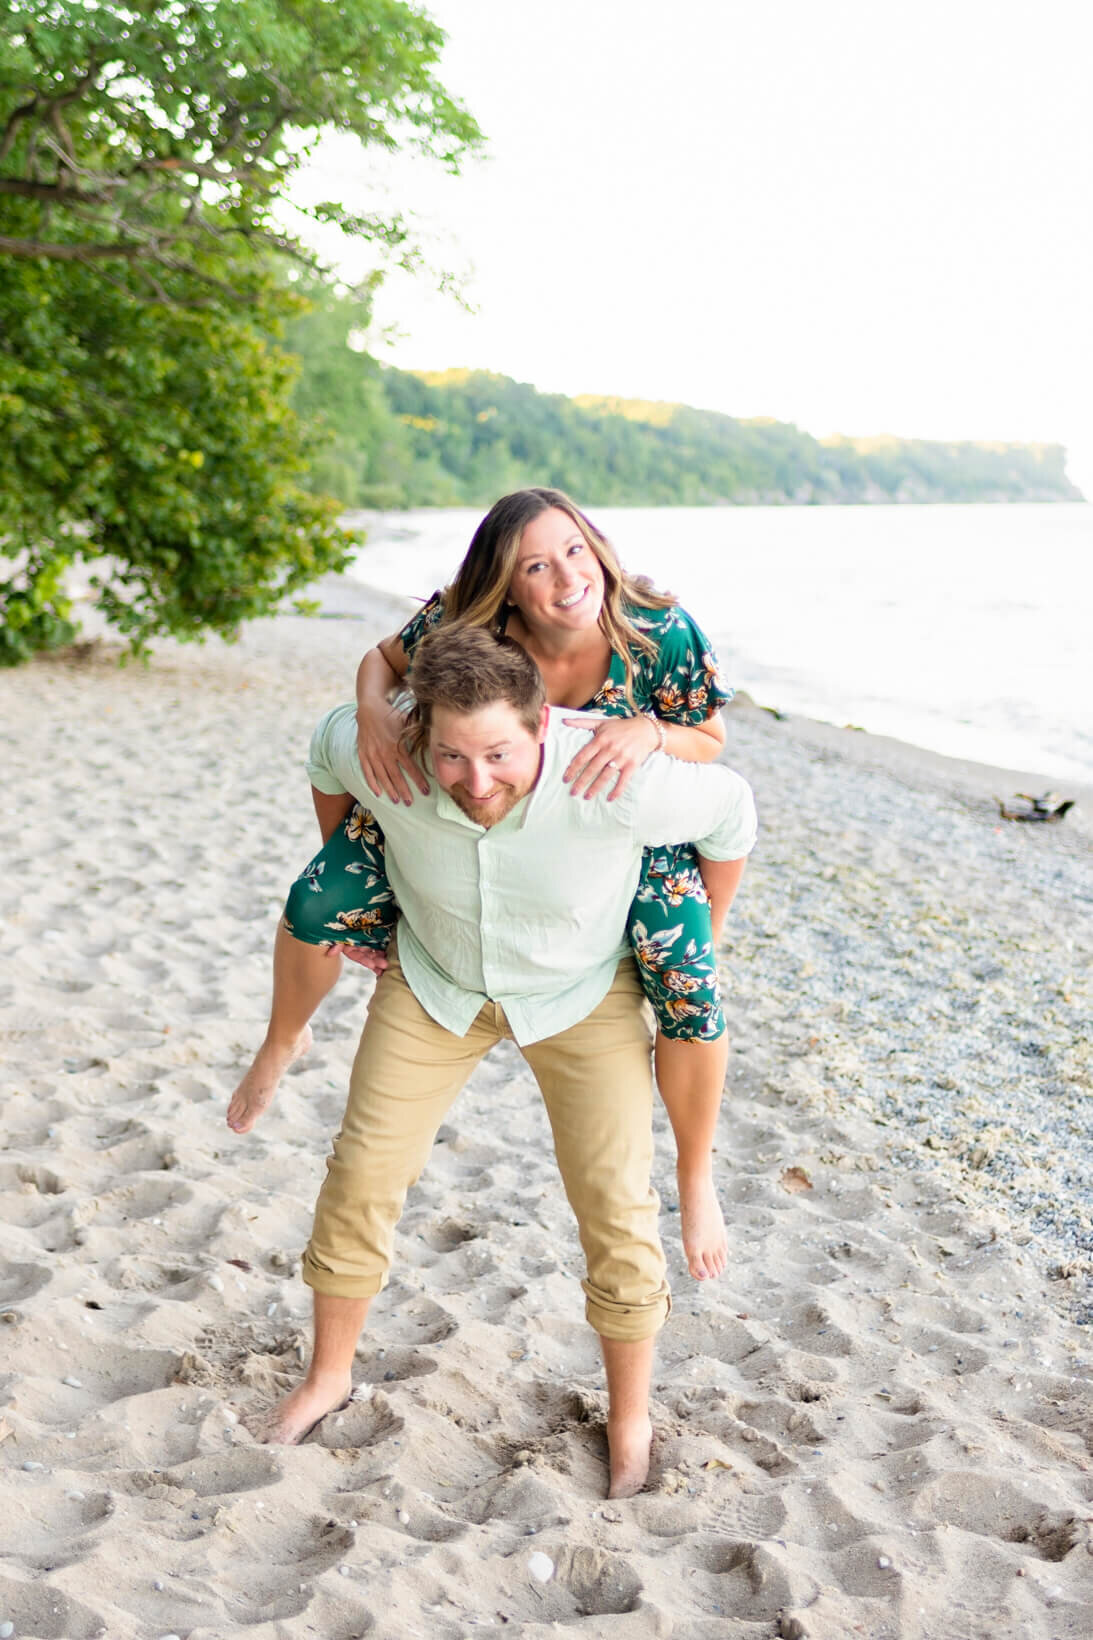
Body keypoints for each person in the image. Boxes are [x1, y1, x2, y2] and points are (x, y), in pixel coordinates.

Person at [229, 624, 756, 1496]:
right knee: (361, 1172)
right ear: (416, 735)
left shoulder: (613, 782)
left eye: (501, 755)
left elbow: (732, 809)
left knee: (617, 1205)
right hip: (437, 986)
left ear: (543, 726)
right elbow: (327, 756)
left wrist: (714, 933)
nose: (477, 782)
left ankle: (629, 1417)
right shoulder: (381, 755)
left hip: (581, 995)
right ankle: (329, 1374)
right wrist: (375, 894)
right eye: (452, 758)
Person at [230, 489, 744, 1280]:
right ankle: (282, 1037)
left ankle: (694, 1174)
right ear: (507, 584)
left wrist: (649, 729)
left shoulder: (656, 629)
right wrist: (372, 715)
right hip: (461, 805)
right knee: (318, 898)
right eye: (536, 566)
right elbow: (380, 661)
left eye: (574, 550)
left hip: (612, 819)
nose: (566, 577)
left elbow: (711, 743)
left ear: (596, 546)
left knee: (690, 981)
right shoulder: (468, 628)